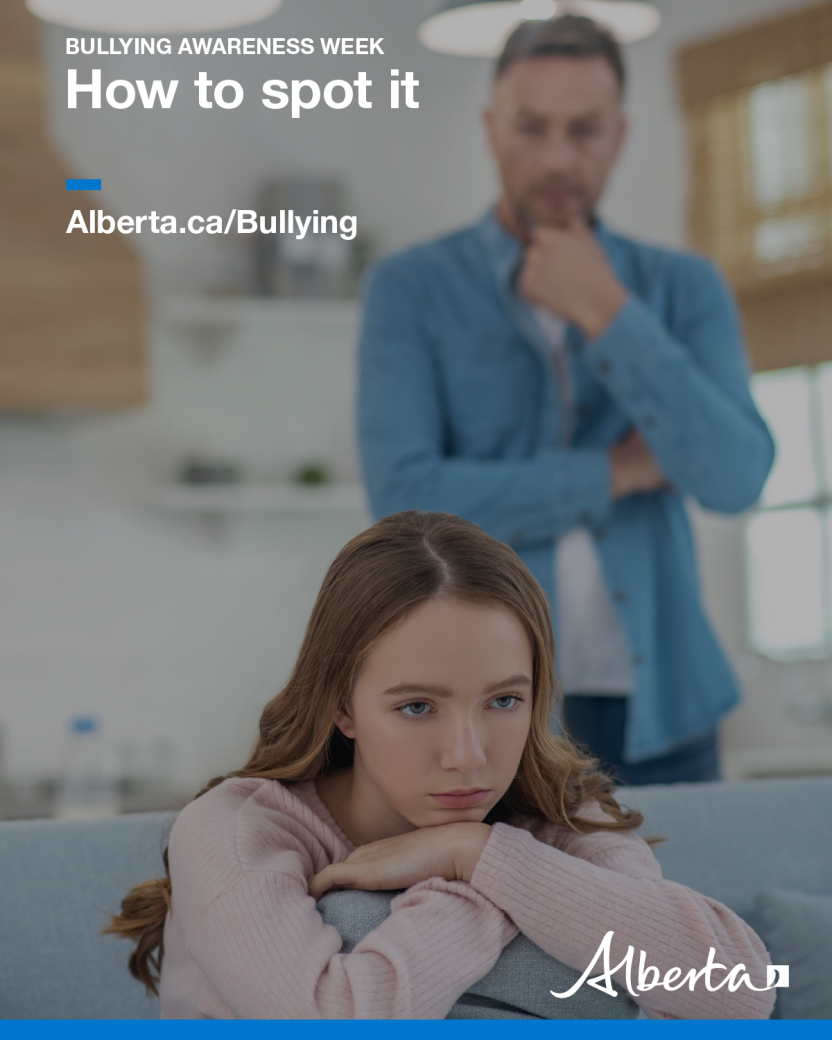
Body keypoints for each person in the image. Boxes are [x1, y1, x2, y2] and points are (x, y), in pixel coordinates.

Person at [106, 511, 774, 1020]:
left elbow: (739, 990)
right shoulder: (238, 830)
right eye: (418, 707)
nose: (469, 755)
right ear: (343, 706)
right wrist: (480, 891)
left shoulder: (561, 813)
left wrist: (478, 851)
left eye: (504, 700)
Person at [356, 16, 775, 785]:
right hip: (490, 711)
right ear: (491, 129)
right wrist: (615, 473)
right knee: (512, 909)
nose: (557, 159)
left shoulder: (682, 287)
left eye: (585, 131)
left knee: (665, 912)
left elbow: (735, 474)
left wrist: (608, 311)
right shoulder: (411, 288)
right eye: (531, 127)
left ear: (620, 135)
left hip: (667, 713)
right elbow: (407, 499)